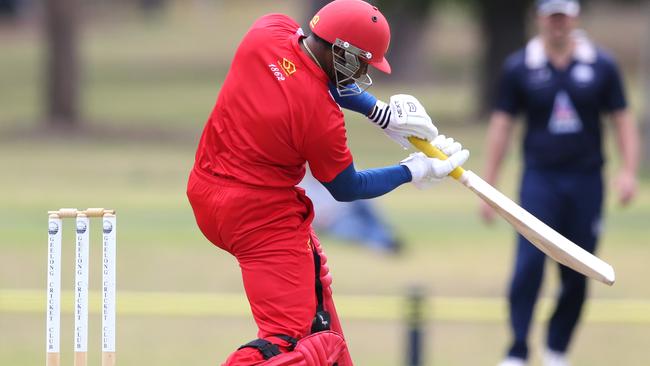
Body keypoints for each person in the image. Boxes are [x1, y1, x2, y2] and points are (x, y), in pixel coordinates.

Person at [186, 1, 470, 365]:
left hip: (206, 191)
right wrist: (413, 170)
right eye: (362, 63)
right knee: (291, 342)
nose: (364, 72)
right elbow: (347, 187)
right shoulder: (320, 115)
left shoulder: (266, 32)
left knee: (317, 291)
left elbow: (305, 72)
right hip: (261, 218)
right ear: (343, 52)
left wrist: (379, 113)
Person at [481, 1, 640, 365]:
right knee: (528, 265)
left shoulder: (601, 65)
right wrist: (489, 186)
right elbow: (502, 125)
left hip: (586, 181)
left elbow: (622, 119)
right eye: (551, 17)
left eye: (563, 18)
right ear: (539, 18)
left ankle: (557, 347)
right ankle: (518, 349)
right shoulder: (520, 67)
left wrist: (628, 171)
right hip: (540, 180)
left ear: (574, 18)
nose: (558, 25)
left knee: (579, 268)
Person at [299, 172, 403, 254]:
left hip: (350, 208)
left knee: (368, 208)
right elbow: (317, 217)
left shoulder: (335, 176)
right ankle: (382, 243)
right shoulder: (307, 187)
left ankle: (386, 238)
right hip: (335, 220)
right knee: (354, 226)